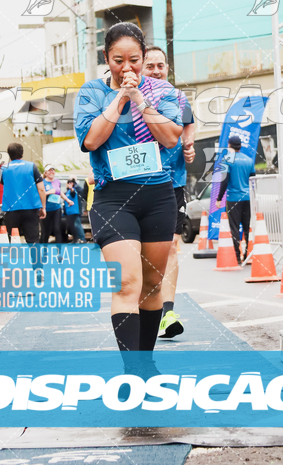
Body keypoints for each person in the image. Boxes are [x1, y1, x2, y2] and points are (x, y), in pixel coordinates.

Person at [75, 22, 182, 359]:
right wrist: (121, 97)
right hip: (114, 198)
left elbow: (170, 137)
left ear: (143, 56)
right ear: (106, 58)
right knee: (126, 284)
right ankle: (132, 370)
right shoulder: (91, 93)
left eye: (134, 60)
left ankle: (145, 363)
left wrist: (139, 97)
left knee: (151, 286)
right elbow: (90, 140)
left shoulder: (163, 92)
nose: (127, 68)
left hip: (158, 196)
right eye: (118, 60)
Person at [142, 45, 195, 340]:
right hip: (135, 184)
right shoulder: (128, 96)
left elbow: (189, 124)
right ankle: (144, 308)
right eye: (151, 66)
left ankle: (167, 313)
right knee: (141, 254)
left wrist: (188, 145)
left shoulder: (177, 95)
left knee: (171, 247)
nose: (157, 71)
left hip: (171, 183)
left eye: (161, 65)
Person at [0, 142, 46, 244]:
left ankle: (15, 259)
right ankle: (37, 260)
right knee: (33, 240)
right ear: (22, 153)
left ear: (9, 154)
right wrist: (43, 207)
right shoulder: (32, 167)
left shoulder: (4, 169)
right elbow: (41, 189)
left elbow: (3, 183)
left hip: (11, 210)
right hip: (31, 208)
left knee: (13, 240)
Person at [216, 134, 255, 264]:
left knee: (234, 227)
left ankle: (237, 257)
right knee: (247, 226)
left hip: (233, 198)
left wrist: (219, 198)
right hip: (248, 198)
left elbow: (224, 180)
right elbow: (253, 179)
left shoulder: (227, 159)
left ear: (229, 145)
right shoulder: (249, 160)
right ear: (240, 146)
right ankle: (248, 254)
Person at [40, 165, 73, 243]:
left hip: (56, 208)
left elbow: (59, 192)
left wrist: (68, 200)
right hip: (46, 209)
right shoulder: (42, 182)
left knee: (57, 229)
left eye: (53, 170)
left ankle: (59, 253)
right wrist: (49, 192)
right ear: (45, 173)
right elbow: (40, 194)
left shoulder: (57, 181)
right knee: (46, 232)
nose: (51, 172)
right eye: (49, 170)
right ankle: (44, 252)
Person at [64, 178, 87, 243]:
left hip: (74, 211)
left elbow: (73, 193)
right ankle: (76, 239)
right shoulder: (67, 192)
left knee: (77, 225)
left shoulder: (73, 190)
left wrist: (71, 188)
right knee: (73, 226)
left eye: (71, 183)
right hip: (69, 212)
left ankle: (82, 239)